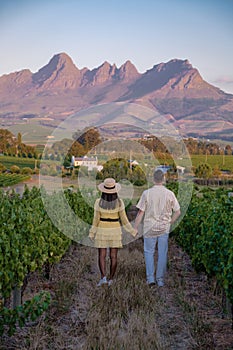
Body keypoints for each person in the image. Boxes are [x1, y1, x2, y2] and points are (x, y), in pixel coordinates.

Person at [134, 169, 180, 287]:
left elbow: (140, 213)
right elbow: (178, 212)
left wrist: (135, 227)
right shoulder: (170, 194)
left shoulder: (147, 193)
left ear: (153, 179)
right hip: (164, 228)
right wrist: (170, 222)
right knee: (162, 253)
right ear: (163, 179)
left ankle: (150, 279)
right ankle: (160, 280)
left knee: (149, 252)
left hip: (149, 228)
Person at [89, 178, 137, 286]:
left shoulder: (98, 202)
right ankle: (111, 279)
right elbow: (124, 220)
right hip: (115, 230)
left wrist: (92, 232)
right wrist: (132, 231)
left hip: (102, 229)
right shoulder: (119, 203)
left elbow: (95, 220)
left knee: (102, 255)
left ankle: (103, 278)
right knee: (113, 256)